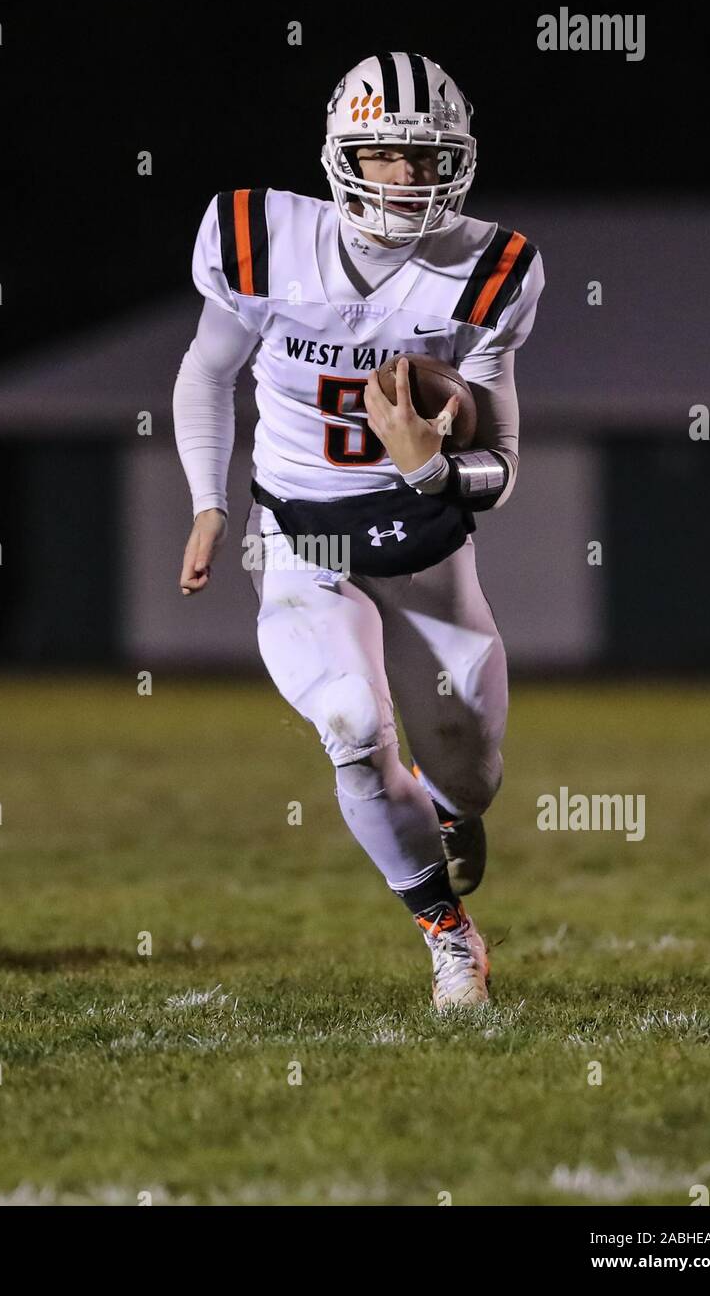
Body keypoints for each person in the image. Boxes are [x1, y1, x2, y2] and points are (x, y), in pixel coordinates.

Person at [173, 52, 544, 1009]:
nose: (408, 178)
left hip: (425, 541)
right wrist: (210, 501)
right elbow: (209, 371)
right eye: (386, 154)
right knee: (349, 723)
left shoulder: (492, 269)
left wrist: (430, 466)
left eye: (429, 159)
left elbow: (501, 465)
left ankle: (452, 811)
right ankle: (450, 941)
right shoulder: (260, 237)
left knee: (470, 767)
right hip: (302, 533)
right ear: (344, 154)